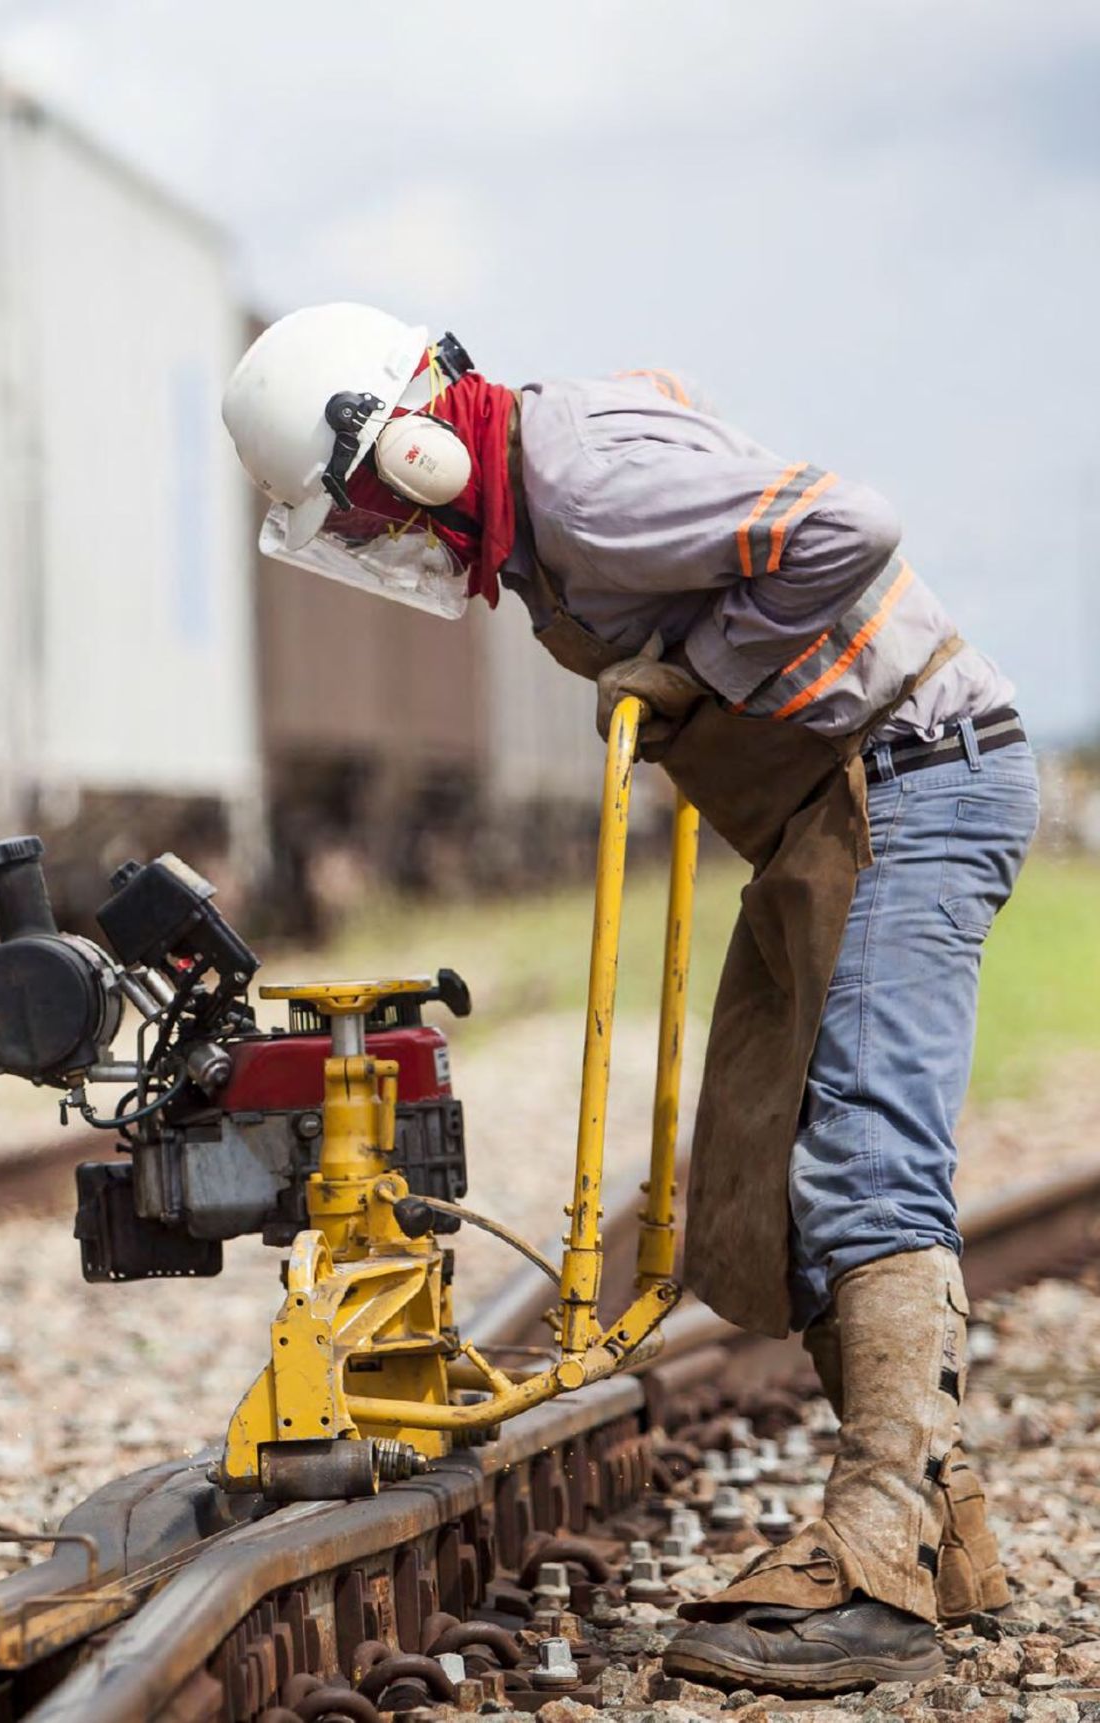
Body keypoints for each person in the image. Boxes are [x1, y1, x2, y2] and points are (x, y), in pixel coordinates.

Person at [221, 305, 1040, 1694]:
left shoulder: (575, 479)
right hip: (834, 811)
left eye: (363, 517)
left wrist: (701, 668)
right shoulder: (545, 505)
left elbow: (851, 522)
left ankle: (879, 1566)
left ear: (411, 450)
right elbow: (682, 415)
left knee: (862, 1158)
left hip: (915, 775)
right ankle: (946, 1538)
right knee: (761, 1168)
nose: (376, 545)